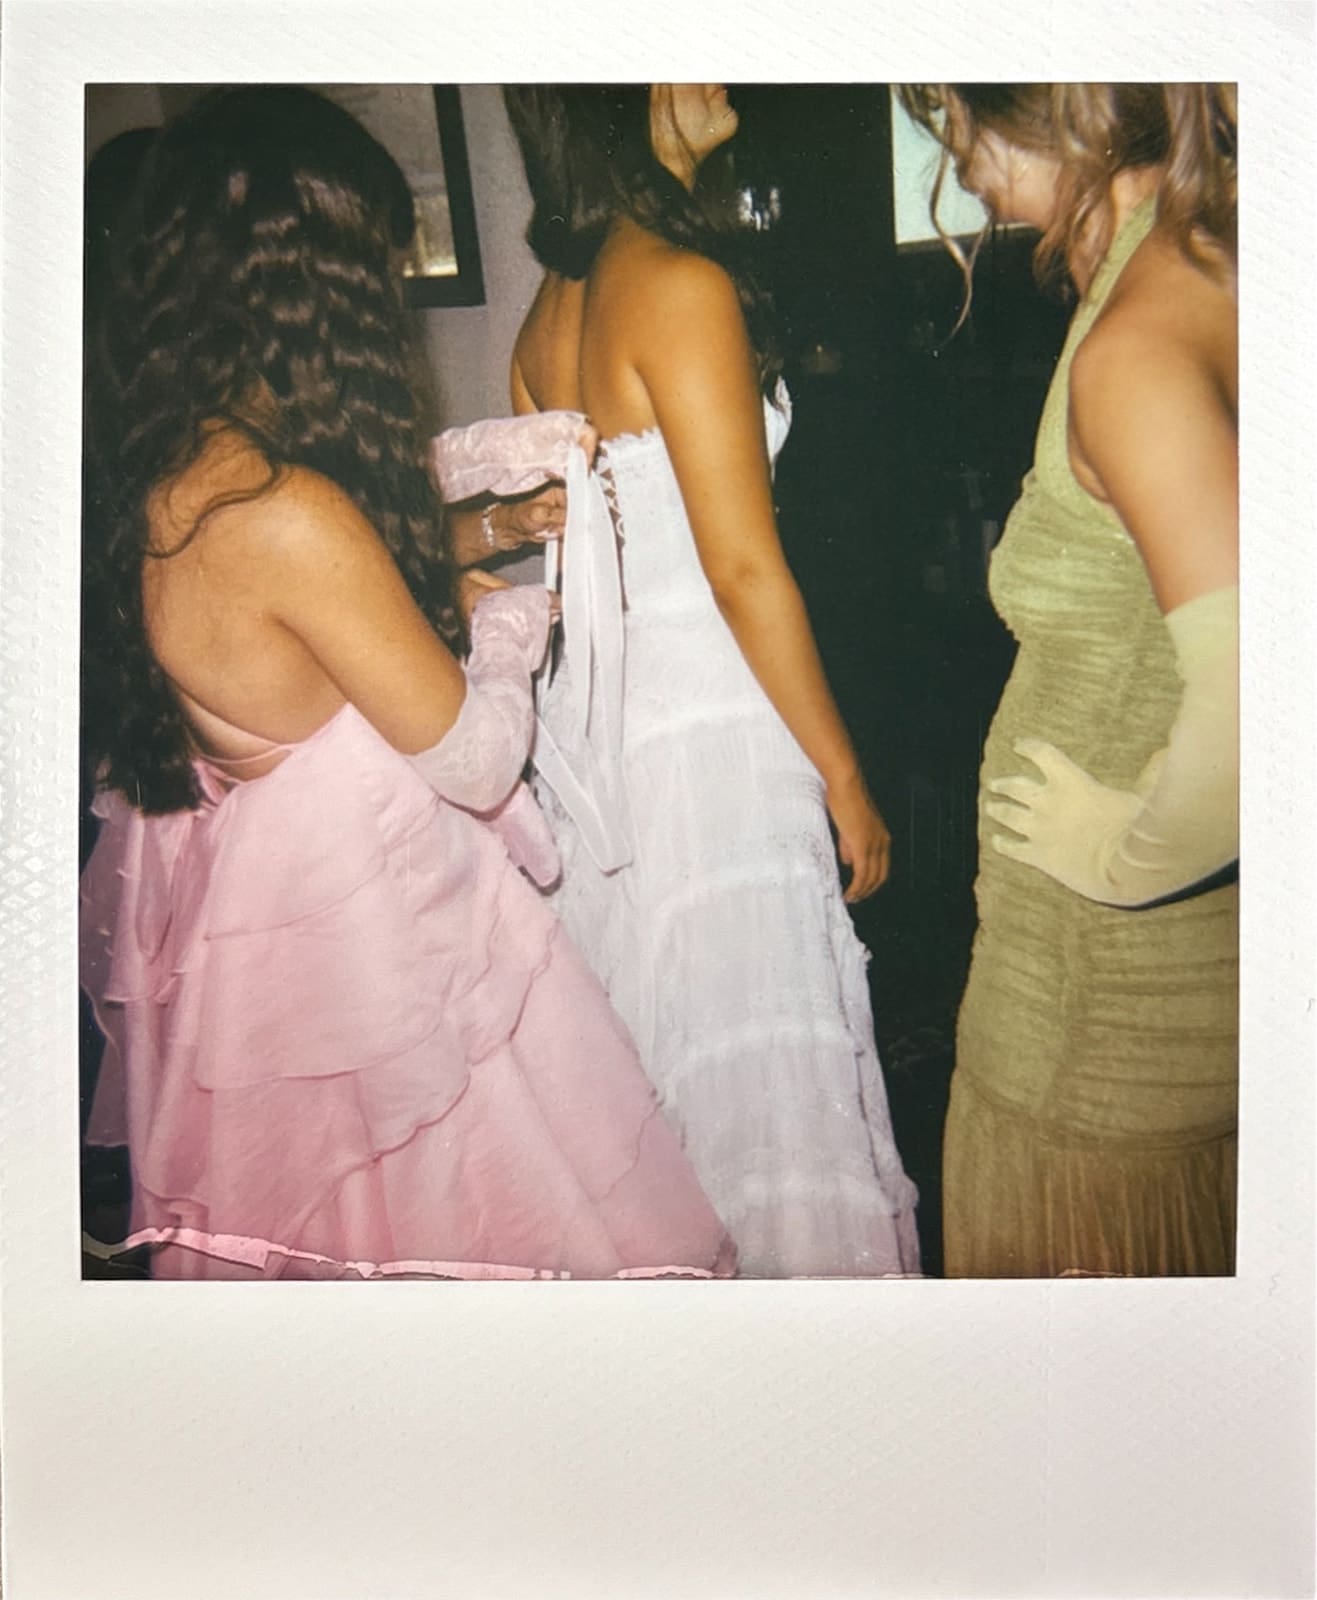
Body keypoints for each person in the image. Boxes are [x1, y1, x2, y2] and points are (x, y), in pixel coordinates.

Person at [79, 85, 734, 1281]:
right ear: (316, 284)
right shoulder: (279, 508)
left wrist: (474, 534)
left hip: (299, 942)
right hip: (375, 961)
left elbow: (310, 616)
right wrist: (516, 619)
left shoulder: (175, 466)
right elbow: (478, 761)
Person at [485, 85, 920, 1278]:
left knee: (674, 1065)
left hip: (607, 740)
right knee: (770, 1076)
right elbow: (740, 567)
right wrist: (844, 775)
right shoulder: (679, 282)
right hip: (718, 729)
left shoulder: (548, 308)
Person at [898, 84, 1238, 1276]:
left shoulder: (1138, 343)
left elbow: (1256, 704)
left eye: (947, 107)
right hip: (1178, 991)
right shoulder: (1209, 265)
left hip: (1093, 1015)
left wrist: (1122, 853)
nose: (950, 148)